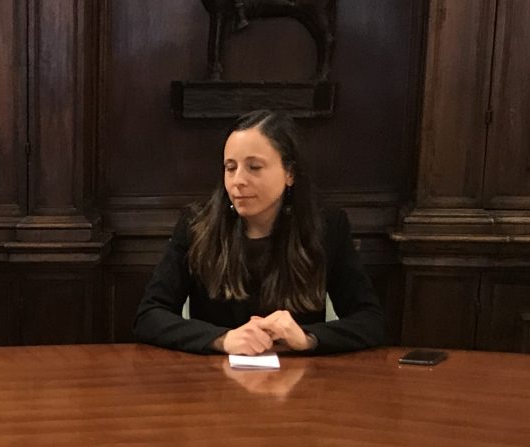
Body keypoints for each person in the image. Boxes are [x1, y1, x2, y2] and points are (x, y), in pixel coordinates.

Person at [134, 109, 384, 357]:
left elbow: (370, 320)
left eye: (254, 167)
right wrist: (221, 339)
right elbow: (149, 316)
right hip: (215, 375)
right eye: (230, 168)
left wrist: (307, 338)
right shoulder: (196, 225)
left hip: (298, 375)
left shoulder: (327, 227)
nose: (238, 180)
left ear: (289, 173)